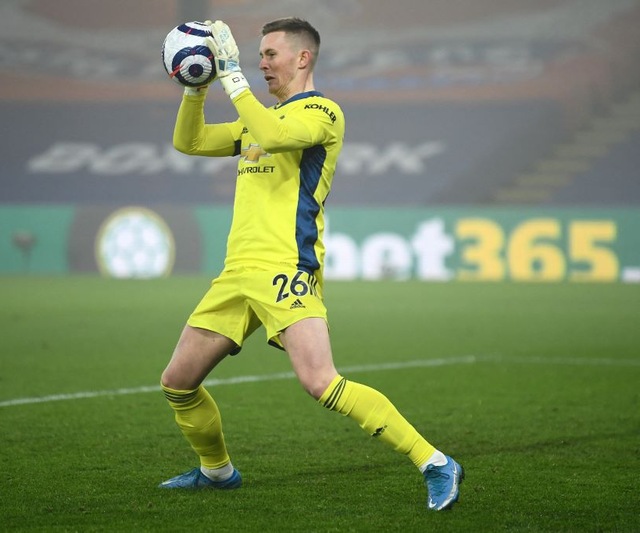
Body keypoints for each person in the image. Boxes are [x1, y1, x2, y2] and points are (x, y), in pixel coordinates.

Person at [158, 17, 464, 511]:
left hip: (286, 268)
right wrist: (197, 88)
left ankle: (435, 462)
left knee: (320, 381)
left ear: (303, 58)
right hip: (237, 273)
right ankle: (217, 472)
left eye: (270, 54)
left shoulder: (323, 112)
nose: (261, 63)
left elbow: (276, 135)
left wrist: (232, 76)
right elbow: (189, 143)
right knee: (178, 382)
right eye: (258, 55)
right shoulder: (258, 118)